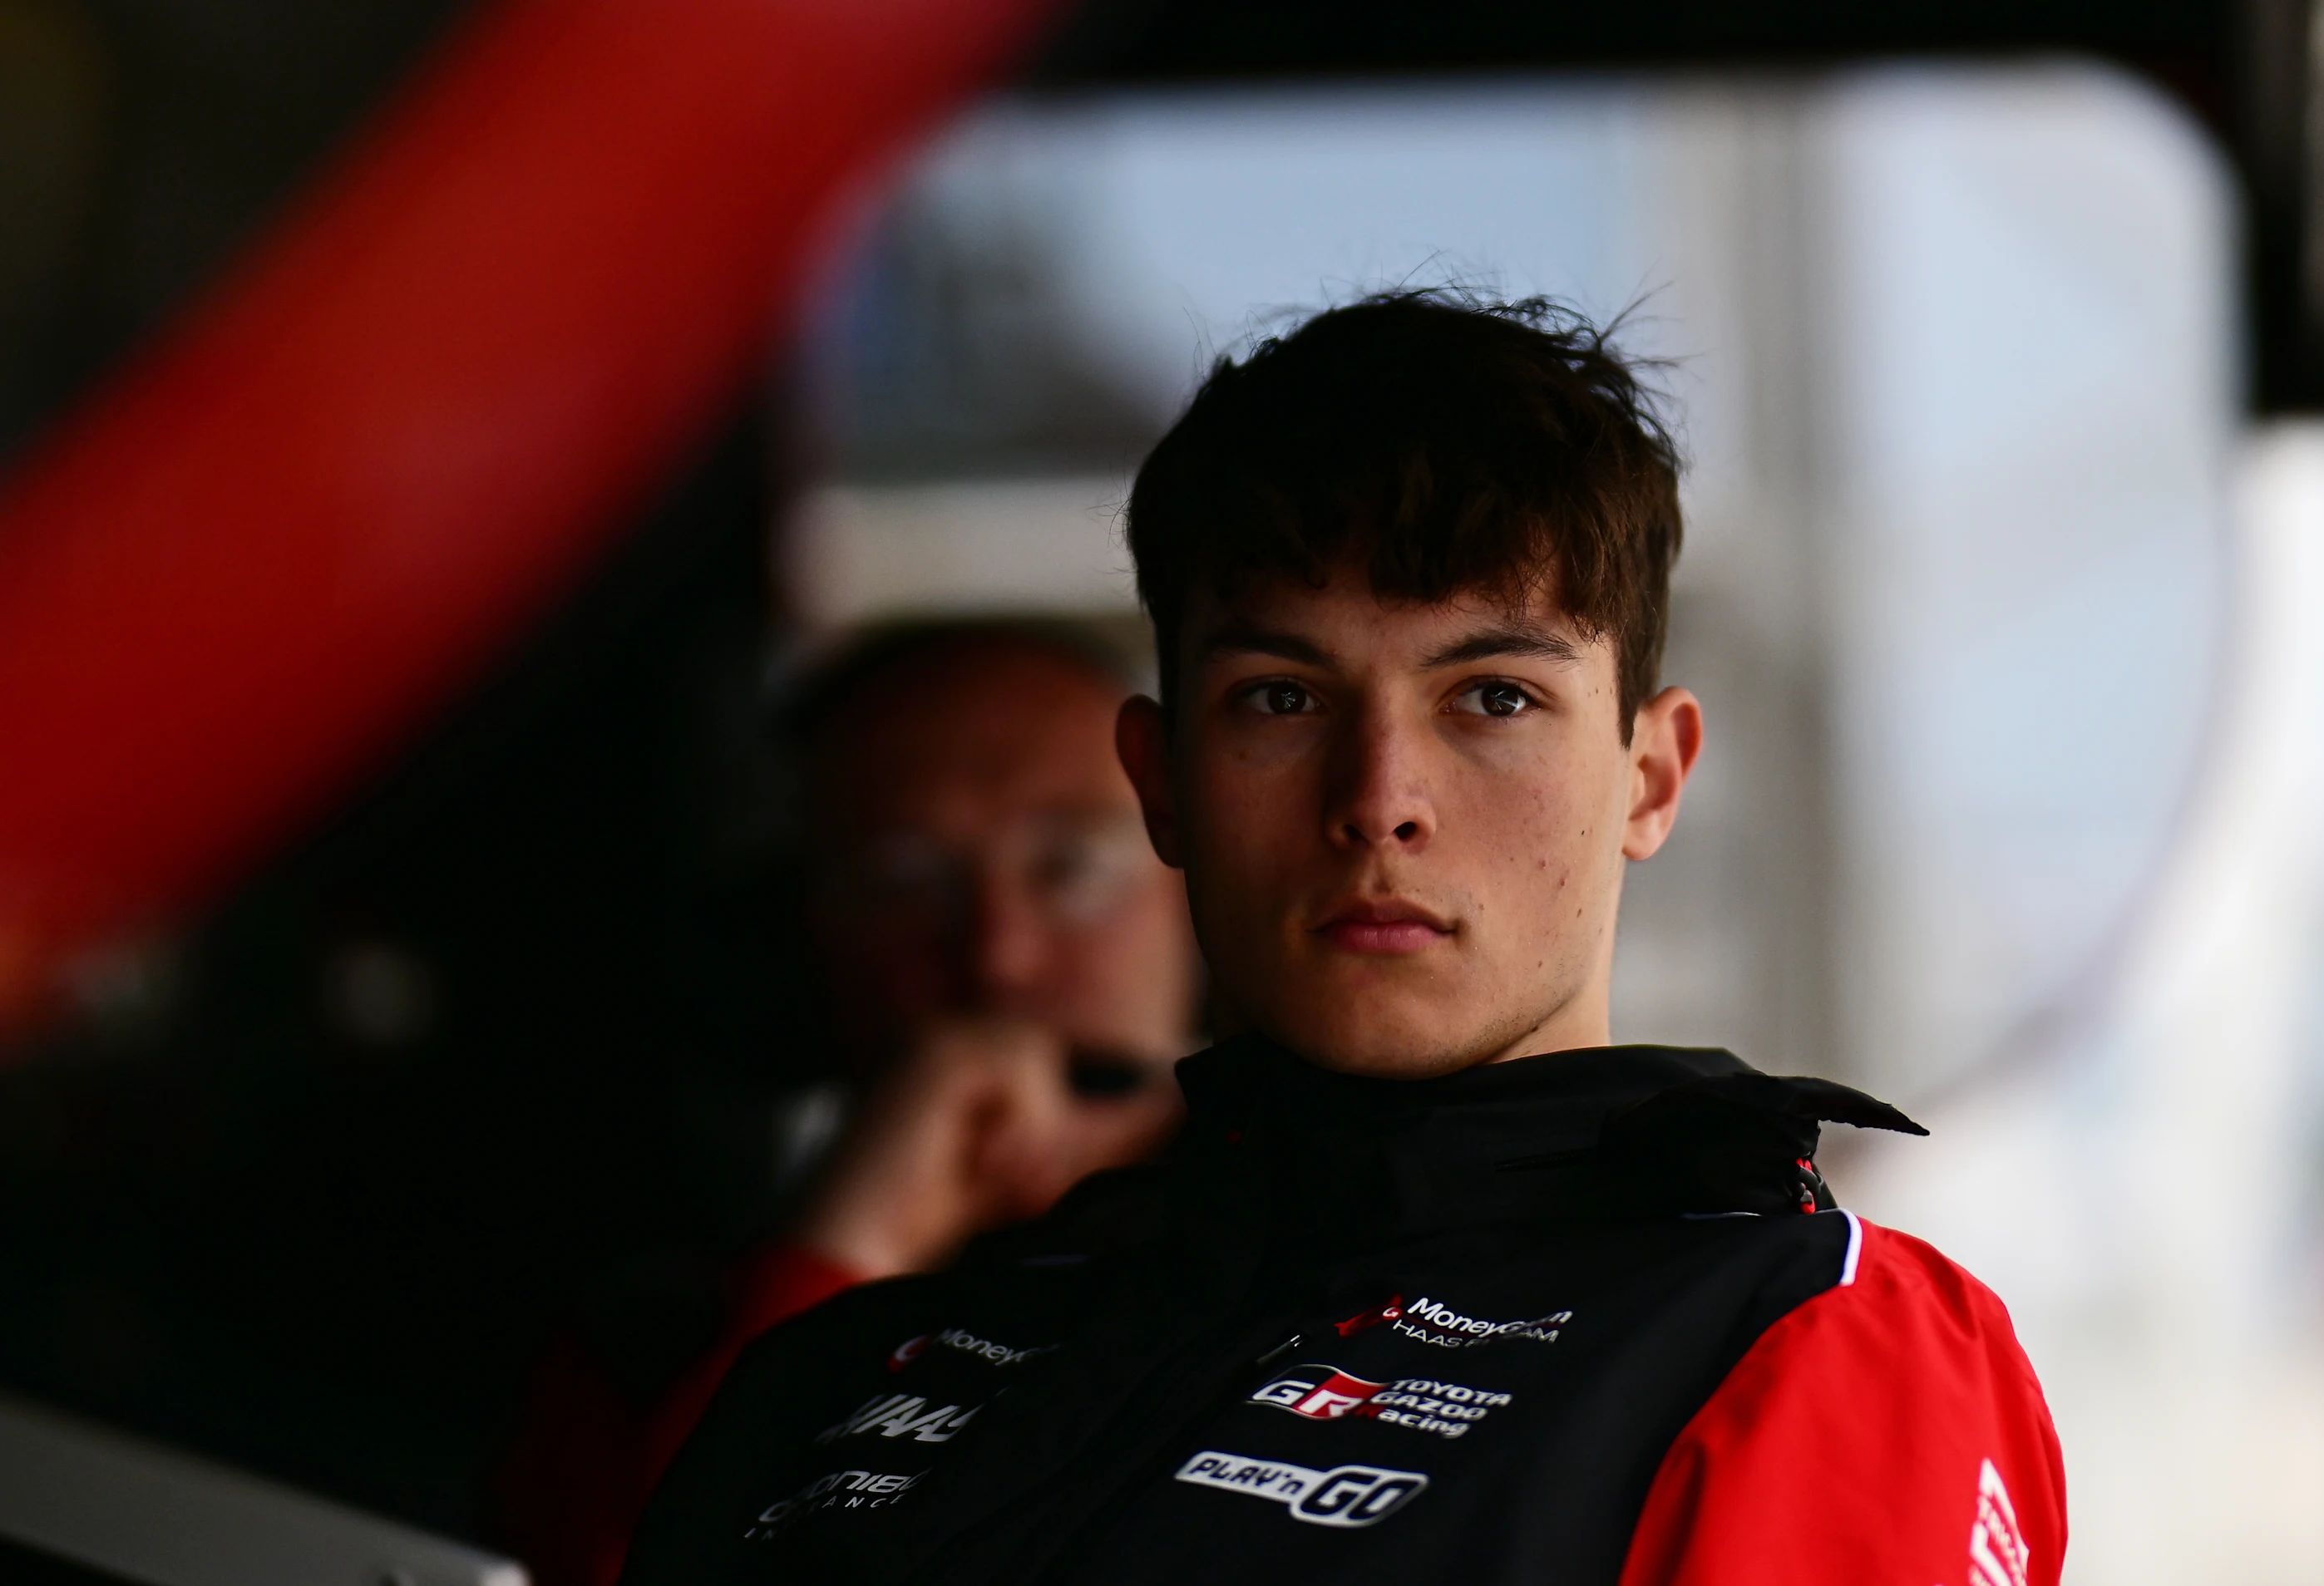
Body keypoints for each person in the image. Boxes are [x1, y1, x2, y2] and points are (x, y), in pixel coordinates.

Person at [620, 291, 2065, 1586]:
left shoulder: (1790, 1332)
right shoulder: (859, 1359)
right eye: (1282, 699)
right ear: (1164, 780)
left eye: (1491, 697)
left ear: (1650, 774)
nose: (1378, 802)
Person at [497, 621, 1201, 1586]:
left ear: (1197, 895)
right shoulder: (651, 1345)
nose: (997, 954)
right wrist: (848, 1247)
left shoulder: (1390, 1248)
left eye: (1070, 868)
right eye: (902, 882)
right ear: (790, 950)